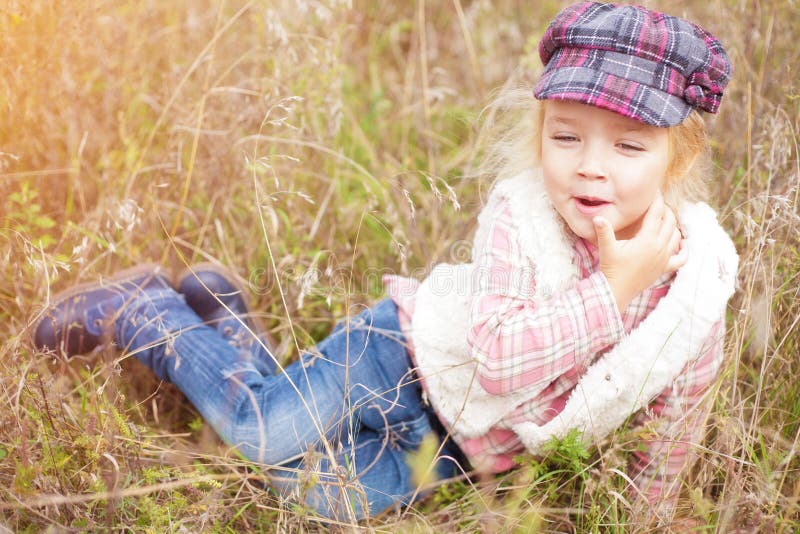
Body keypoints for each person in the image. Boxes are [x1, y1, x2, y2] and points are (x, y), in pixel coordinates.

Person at [32, 1, 738, 524]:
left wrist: (645, 517)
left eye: (628, 146)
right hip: (396, 355)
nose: (591, 168)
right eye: (568, 137)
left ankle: (223, 313)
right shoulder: (520, 217)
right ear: (541, 133)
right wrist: (613, 289)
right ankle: (142, 308)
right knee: (256, 433)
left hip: (461, 446)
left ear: (680, 155)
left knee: (314, 499)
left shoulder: (694, 286)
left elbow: (672, 423)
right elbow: (499, 358)